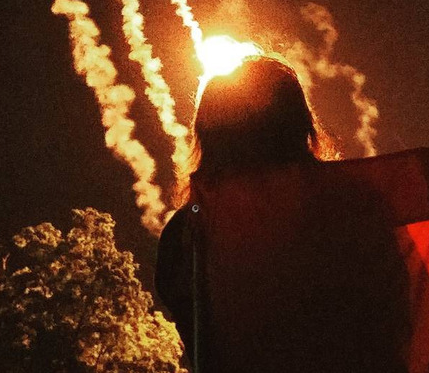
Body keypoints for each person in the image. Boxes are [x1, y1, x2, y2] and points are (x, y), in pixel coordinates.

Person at [155, 56, 408, 372]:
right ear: (302, 127)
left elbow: (201, 343)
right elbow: (400, 318)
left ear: (209, 139)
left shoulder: (187, 233)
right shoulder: (360, 205)